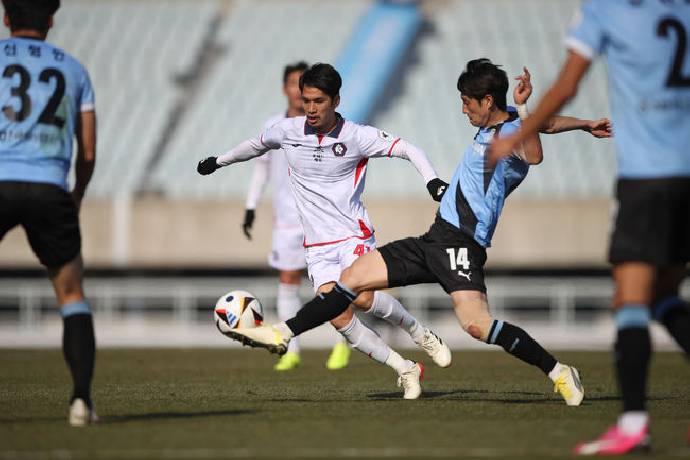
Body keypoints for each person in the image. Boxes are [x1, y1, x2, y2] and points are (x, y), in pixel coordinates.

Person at [223, 59, 613, 407]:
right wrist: (584, 124)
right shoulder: (506, 120)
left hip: (463, 245)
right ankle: (281, 333)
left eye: (467, 102)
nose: (463, 109)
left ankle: (559, 371)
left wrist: (527, 110)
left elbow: (535, 153)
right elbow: (544, 123)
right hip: (434, 238)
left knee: (476, 325)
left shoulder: (510, 137)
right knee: (350, 281)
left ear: (487, 102)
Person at [489, 1, 690, 455]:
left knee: (631, 299)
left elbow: (566, 85)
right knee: (662, 297)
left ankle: (634, 422)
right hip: (686, 173)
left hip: (649, 177)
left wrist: (519, 132)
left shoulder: (608, 9)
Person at [198, 63, 453, 399]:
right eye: (306, 100)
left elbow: (408, 148)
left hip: (353, 235)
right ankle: (404, 368)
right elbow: (254, 145)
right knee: (339, 315)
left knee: (361, 296)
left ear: (336, 100)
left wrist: (432, 181)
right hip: (317, 246)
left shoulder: (357, 136)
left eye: (319, 100)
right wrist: (219, 161)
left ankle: (419, 332)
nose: (311, 108)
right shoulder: (287, 130)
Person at [0, 0, 98, 426]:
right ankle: (80, 402)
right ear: (51, 20)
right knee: (72, 295)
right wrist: (77, 193)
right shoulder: (73, 69)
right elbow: (89, 149)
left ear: (5, 18)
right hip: (49, 187)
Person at [242, 61, 351, 371]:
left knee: (335, 285)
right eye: (292, 83)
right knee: (288, 279)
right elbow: (260, 168)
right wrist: (251, 206)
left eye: (300, 85)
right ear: (286, 89)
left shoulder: (330, 127)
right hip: (288, 219)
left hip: (325, 220)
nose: (296, 91)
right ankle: (290, 347)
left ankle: (342, 343)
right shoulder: (275, 126)